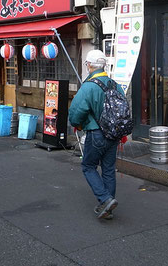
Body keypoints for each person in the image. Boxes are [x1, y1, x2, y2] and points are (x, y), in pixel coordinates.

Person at [68, 49, 124, 220]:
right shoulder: (115, 84)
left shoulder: (89, 86)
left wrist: (76, 124)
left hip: (96, 133)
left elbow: (77, 111)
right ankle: (108, 208)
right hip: (113, 134)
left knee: (88, 166)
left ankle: (106, 199)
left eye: (87, 64)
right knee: (108, 170)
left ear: (90, 65)